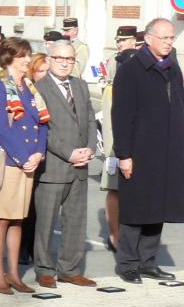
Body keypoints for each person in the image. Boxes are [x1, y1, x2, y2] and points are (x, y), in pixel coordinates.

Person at [110, 17, 184, 283]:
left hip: (167, 152)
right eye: (164, 38)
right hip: (140, 151)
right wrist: (124, 155)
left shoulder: (173, 68)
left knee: (158, 208)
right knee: (136, 208)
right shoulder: (131, 69)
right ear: (149, 38)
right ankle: (128, 263)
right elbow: (121, 115)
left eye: (171, 38)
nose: (168, 43)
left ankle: (148, 262)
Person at [0, 37, 48, 296]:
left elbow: (42, 123)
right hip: (11, 161)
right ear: (9, 58)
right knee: (1, 219)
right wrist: (24, 157)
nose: (27, 59)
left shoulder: (30, 88)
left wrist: (38, 154)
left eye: (28, 54)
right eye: (22, 55)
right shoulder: (1, 87)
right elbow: (0, 127)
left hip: (28, 162)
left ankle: (13, 273)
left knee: (18, 220)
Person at [32, 40, 97, 288]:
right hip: (54, 167)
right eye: (59, 58)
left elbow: (90, 121)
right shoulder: (39, 88)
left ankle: (70, 269)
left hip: (80, 166)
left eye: (70, 59)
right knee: (46, 223)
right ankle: (45, 269)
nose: (65, 63)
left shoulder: (79, 86)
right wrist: (69, 153)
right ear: (49, 60)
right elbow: (43, 130)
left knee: (76, 221)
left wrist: (90, 148)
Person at [99, 26, 140, 251]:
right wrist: (110, 154)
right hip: (117, 149)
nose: (119, 43)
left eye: (124, 40)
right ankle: (115, 237)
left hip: (138, 148)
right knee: (114, 191)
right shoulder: (114, 85)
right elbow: (109, 121)